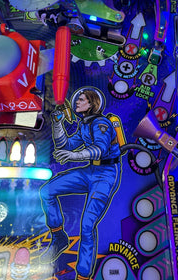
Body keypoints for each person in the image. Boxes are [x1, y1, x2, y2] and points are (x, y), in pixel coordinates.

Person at [39, 88, 122, 280]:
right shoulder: (85, 125)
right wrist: (57, 124)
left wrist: (74, 156)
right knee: (47, 191)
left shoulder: (101, 123)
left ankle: (83, 275)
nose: (76, 101)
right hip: (91, 171)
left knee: (87, 225)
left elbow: (99, 150)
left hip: (106, 175)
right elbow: (66, 145)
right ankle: (59, 237)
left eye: (81, 99)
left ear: (92, 104)